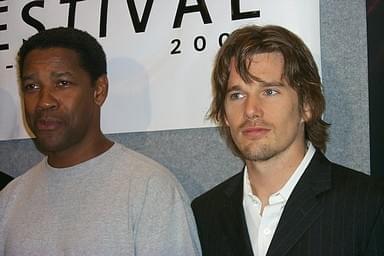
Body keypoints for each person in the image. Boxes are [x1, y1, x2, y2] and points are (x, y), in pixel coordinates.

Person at [0, 27, 201, 255]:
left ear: (99, 90)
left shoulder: (150, 190)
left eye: (62, 83)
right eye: (32, 87)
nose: (44, 101)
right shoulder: (9, 199)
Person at [191, 25, 384, 256]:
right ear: (223, 114)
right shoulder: (205, 213)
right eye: (237, 95)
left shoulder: (368, 204)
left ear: (307, 106)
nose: (251, 110)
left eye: (269, 91)